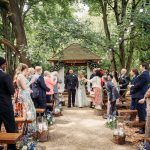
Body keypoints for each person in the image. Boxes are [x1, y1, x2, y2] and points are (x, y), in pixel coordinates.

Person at [0, 57, 16, 150]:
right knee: (10, 126)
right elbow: (11, 91)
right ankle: (11, 148)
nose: (5, 66)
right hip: (4, 105)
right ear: (2, 64)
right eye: (5, 64)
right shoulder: (5, 76)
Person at [130, 62, 150, 134]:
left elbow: (139, 85)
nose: (140, 67)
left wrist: (132, 87)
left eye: (140, 66)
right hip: (141, 95)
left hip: (141, 95)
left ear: (144, 67)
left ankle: (143, 129)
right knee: (140, 112)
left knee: (142, 112)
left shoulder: (144, 74)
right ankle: (142, 128)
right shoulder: (145, 74)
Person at [16, 63, 36, 131]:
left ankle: (28, 129)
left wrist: (29, 90)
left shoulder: (20, 76)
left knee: (28, 110)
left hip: (25, 94)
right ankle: (29, 130)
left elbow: (23, 87)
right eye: (27, 69)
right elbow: (24, 87)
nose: (27, 71)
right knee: (29, 110)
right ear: (24, 69)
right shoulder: (21, 76)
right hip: (24, 95)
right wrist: (31, 82)